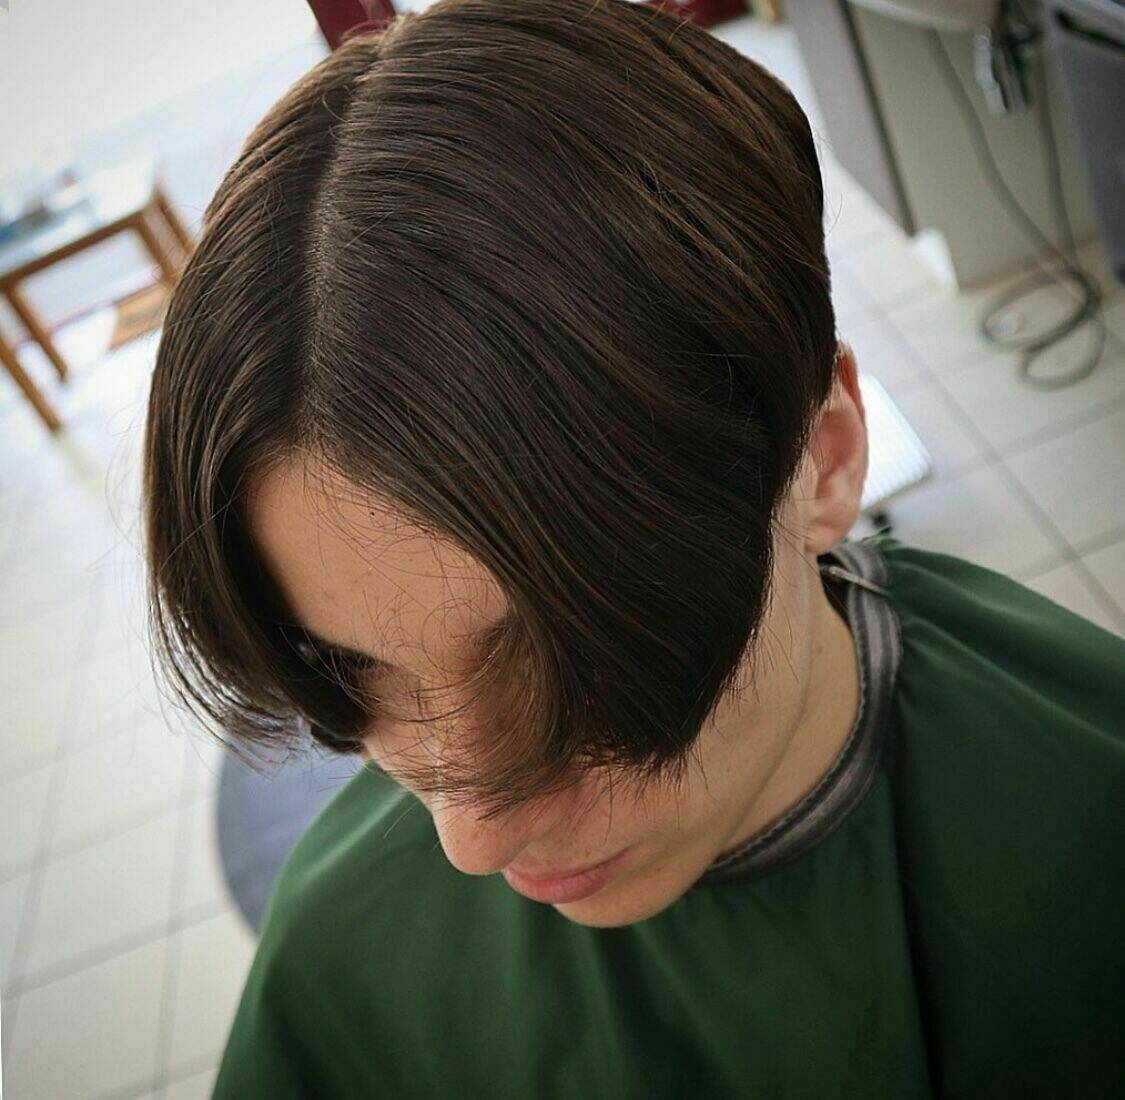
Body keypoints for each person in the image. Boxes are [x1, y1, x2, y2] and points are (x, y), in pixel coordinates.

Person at [141, 0, 1125, 1095]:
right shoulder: (342, 965)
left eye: (571, 663)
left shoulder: (1092, 820)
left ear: (826, 455)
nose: (470, 840)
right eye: (347, 668)